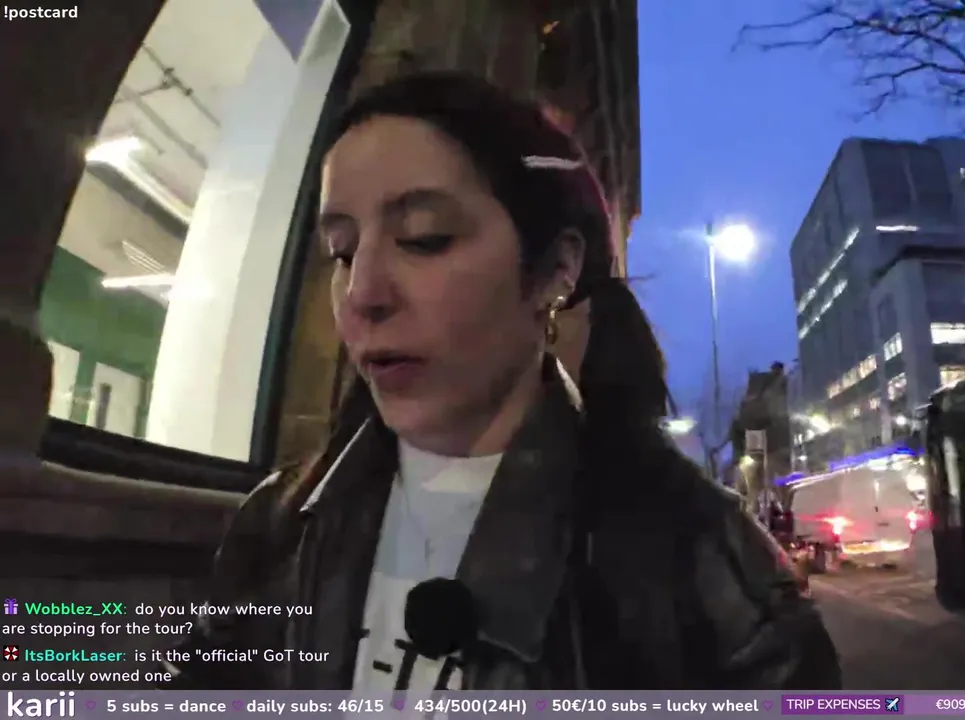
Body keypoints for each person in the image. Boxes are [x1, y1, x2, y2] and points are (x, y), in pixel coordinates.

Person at [164, 71, 840, 691]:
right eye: (341, 252)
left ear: (554, 272)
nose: (362, 293)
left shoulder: (706, 564)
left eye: (424, 238)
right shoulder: (276, 525)